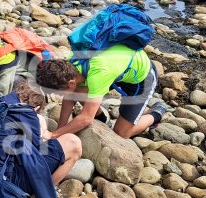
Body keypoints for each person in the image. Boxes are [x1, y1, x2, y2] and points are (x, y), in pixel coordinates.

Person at [36, 45, 168, 139]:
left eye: (59, 92)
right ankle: (103, 120)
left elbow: (86, 119)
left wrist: (53, 135)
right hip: (117, 70)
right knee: (78, 91)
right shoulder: (70, 63)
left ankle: (157, 112)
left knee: (122, 133)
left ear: (71, 82)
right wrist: (61, 131)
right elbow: (70, 97)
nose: (59, 96)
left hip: (141, 78)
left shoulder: (98, 76)